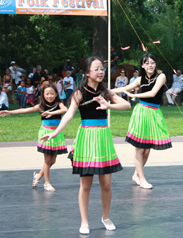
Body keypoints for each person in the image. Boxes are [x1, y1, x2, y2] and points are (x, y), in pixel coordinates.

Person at [40, 56, 131, 234]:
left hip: (103, 138)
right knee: (86, 185)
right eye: (96, 69)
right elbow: (68, 115)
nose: (100, 72)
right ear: (87, 72)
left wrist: (108, 106)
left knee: (106, 184)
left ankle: (106, 217)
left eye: (102, 69)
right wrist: (56, 132)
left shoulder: (106, 92)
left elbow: (127, 105)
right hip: (87, 139)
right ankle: (84, 221)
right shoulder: (79, 93)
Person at [112, 53, 172, 189]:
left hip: (154, 113)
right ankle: (142, 178)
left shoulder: (161, 77)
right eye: (147, 63)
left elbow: (152, 93)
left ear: (155, 64)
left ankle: (136, 175)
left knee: (147, 149)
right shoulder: (140, 79)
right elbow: (123, 88)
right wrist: (105, 91)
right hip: (141, 112)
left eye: (152, 62)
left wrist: (134, 95)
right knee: (139, 149)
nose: (150, 65)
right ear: (142, 65)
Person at [1, 84, 68, 191]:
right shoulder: (41, 106)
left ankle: (38, 176)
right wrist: (9, 112)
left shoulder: (59, 104)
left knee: (53, 161)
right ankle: (47, 183)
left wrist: (51, 112)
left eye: (52, 93)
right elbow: (25, 110)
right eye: (47, 94)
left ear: (56, 94)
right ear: (43, 95)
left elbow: (65, 110)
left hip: (56, 133)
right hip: (45, 133)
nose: (49, 96)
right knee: (47, 160)